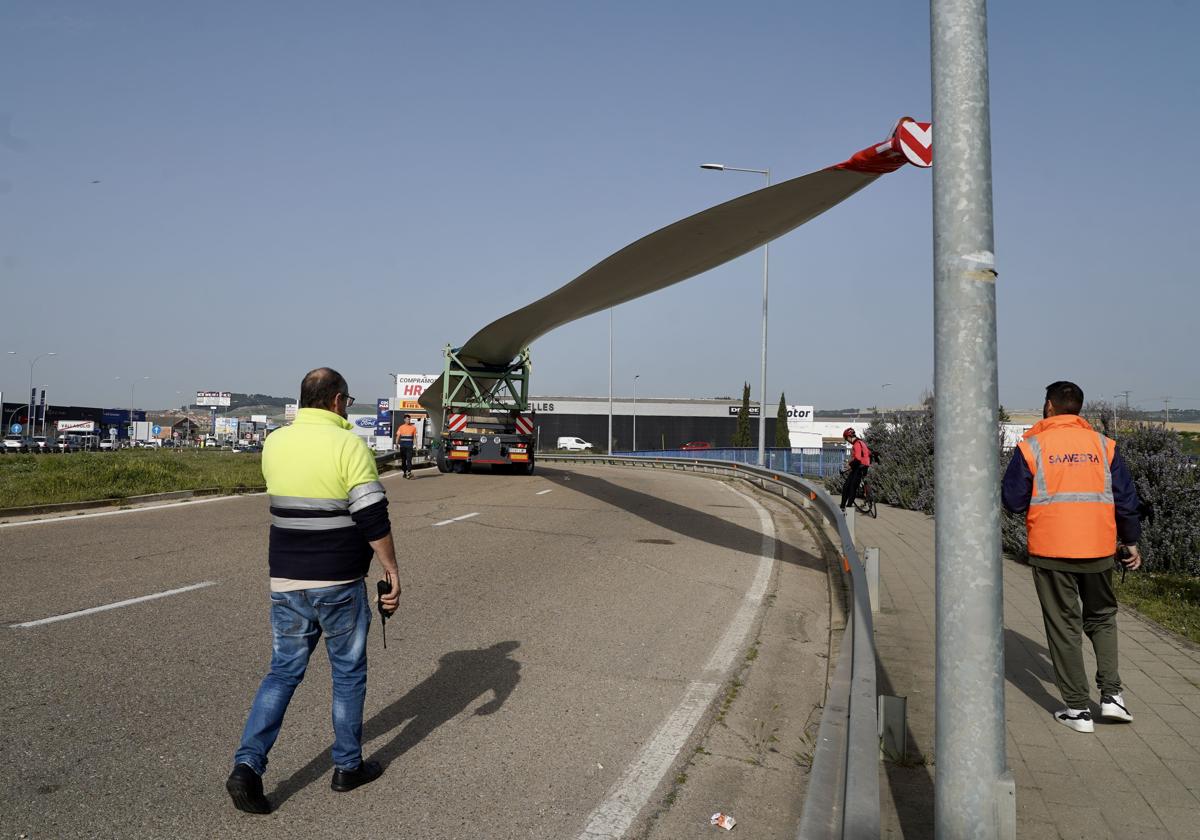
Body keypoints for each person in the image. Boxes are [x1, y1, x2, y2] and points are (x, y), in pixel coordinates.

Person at [226, 367, 402, 814]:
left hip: (285, 580)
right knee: (347, 675)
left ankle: (247, 766)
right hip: (339, 582)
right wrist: (391, 570)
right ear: (339, 401)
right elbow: (372, 517)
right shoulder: (349, 445)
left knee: (282, 672)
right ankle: (347, 767)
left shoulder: (275, 442)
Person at [1002, 380, 1142, 733]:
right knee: (1102, 618)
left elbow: (1013, 501)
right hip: (1098, 549)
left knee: (1064, 627)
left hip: (1052, 551)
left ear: (1049, 406)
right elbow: (1126, 499)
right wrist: (1131, 541)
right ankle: (1112, 697)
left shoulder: (1033, 445)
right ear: (1078, 408)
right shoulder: (1103, 445)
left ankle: (1078, 710)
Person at [839, 427, 870, 511]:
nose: (847, 441)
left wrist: (849, 465)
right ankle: (845, 505)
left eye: (846, 439)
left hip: (859, 467)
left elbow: (858, 459)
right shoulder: (862, 443)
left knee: (850, 487)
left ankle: (846, 508)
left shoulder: (856, 444)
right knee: (851, 485)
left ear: (849, 437)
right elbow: (868, 453)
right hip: (864, 466)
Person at [396, 414, 417, 479]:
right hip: (402, 447)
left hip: (409, 446)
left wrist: (415, 445)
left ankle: (409, 472)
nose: (408, 420)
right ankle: (405, 472)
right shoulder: (401, 427)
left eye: (409, 419)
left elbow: (414, 437)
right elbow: (398, 436)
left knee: (409, 460)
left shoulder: (413, 427)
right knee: (403, 460)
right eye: (407, 419)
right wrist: (396, 444)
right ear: (404, 420)